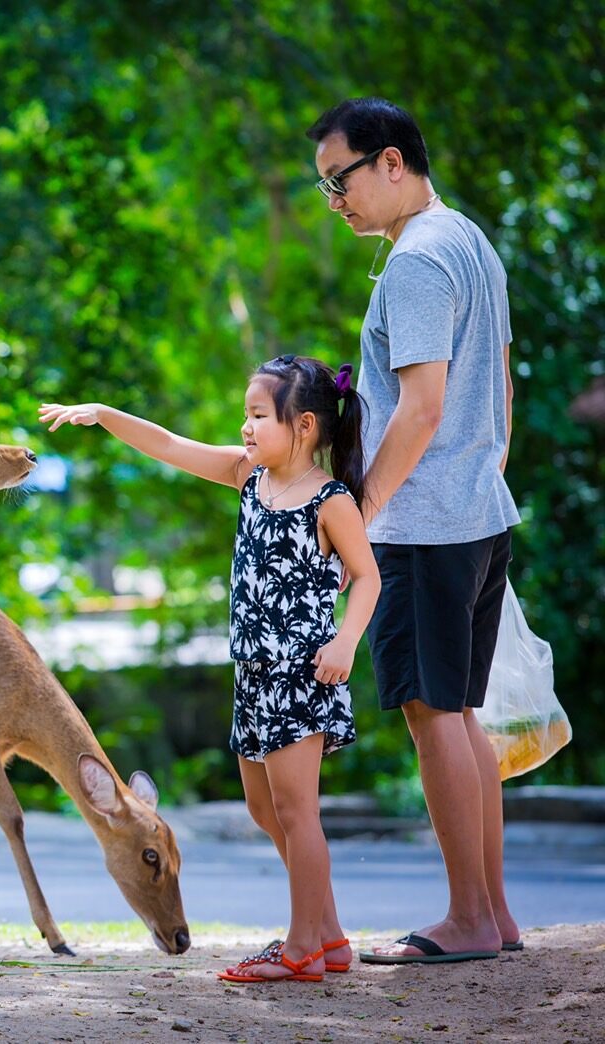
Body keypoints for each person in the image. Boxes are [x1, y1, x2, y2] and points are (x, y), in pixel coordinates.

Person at [40, 354, 379, 982]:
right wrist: (104, 415)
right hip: (253, 676)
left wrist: (346, 643)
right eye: (245, 414)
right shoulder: (249, 475)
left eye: (257, 415)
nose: (246, 427)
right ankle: (328, 936)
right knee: (263, 809)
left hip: (302, 677)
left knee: (299, 813)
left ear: (304, 426)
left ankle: (303, 945)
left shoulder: (331, 502)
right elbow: (168, 444)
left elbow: (367, 577)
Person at [307, 97, 522, 964]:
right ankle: (494, 915)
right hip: (475, 517)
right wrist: (484, 479)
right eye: (325, 187)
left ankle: (469, 918)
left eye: (342, 180)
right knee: (461, 717)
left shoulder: (418, 262)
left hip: (428, 528)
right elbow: (501, 385)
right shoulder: (467, 238)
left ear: (391, 162)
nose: (336, 202)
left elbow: (422, 407)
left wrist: (360, 507)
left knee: (436, 718)